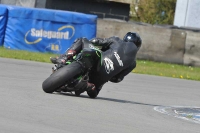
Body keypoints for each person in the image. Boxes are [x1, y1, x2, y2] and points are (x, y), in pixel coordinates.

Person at [50, 32, 142, 98]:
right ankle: (89, 86)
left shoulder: (116, 40)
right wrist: (110, 72)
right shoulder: (132, 64)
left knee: (82, 40)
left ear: (125, 39)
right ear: (137, 47)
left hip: (95, 63)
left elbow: (96, 41)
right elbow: (117, 79)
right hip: (99, 80)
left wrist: (92, 44)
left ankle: (64, 58)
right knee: (94, 93)